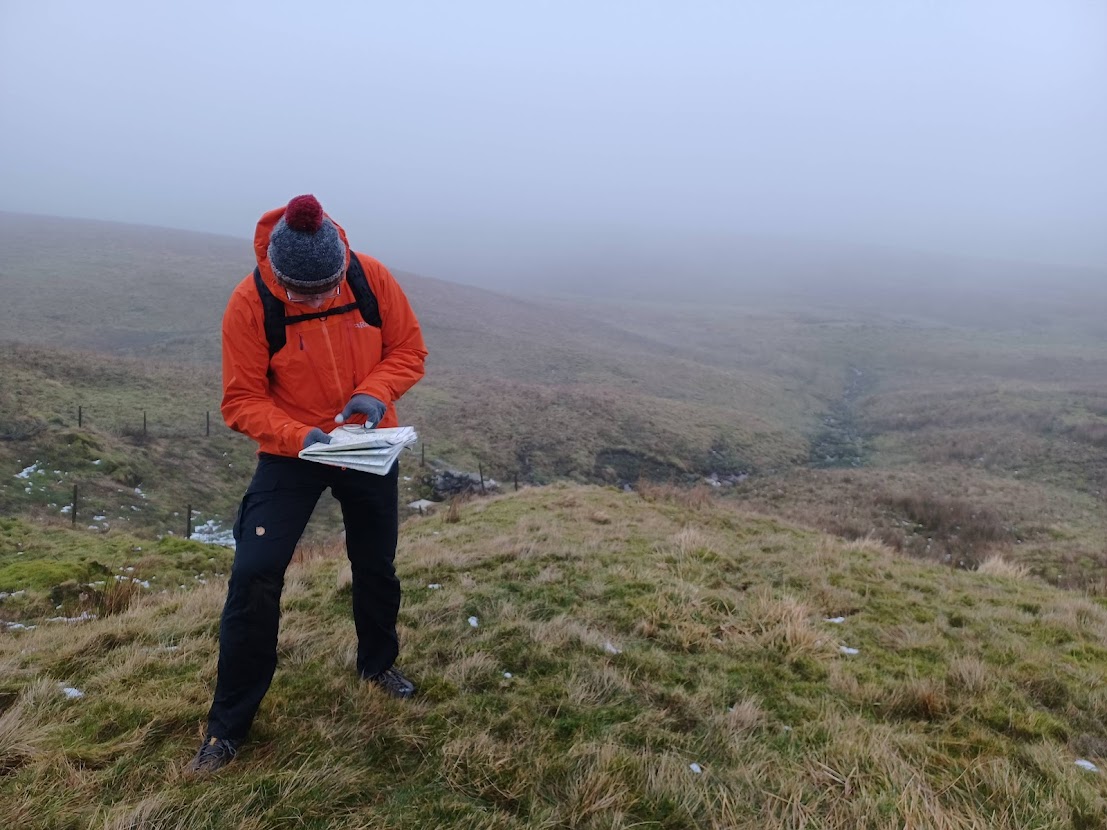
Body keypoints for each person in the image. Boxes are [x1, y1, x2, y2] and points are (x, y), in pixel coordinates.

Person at [187, 195, 427, 774]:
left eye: (326, 290)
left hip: (366, 443)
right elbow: (241, 400)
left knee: (376, 563)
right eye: (303, 294)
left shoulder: (371, 277)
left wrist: (373, 394)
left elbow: (408, 350)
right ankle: (227, 728)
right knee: (254, 572)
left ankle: (377, 665)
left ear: (341, 265)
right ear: (279, 276)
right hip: (292, 449)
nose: (317, 301)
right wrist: (299, 436)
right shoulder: (249, 304)